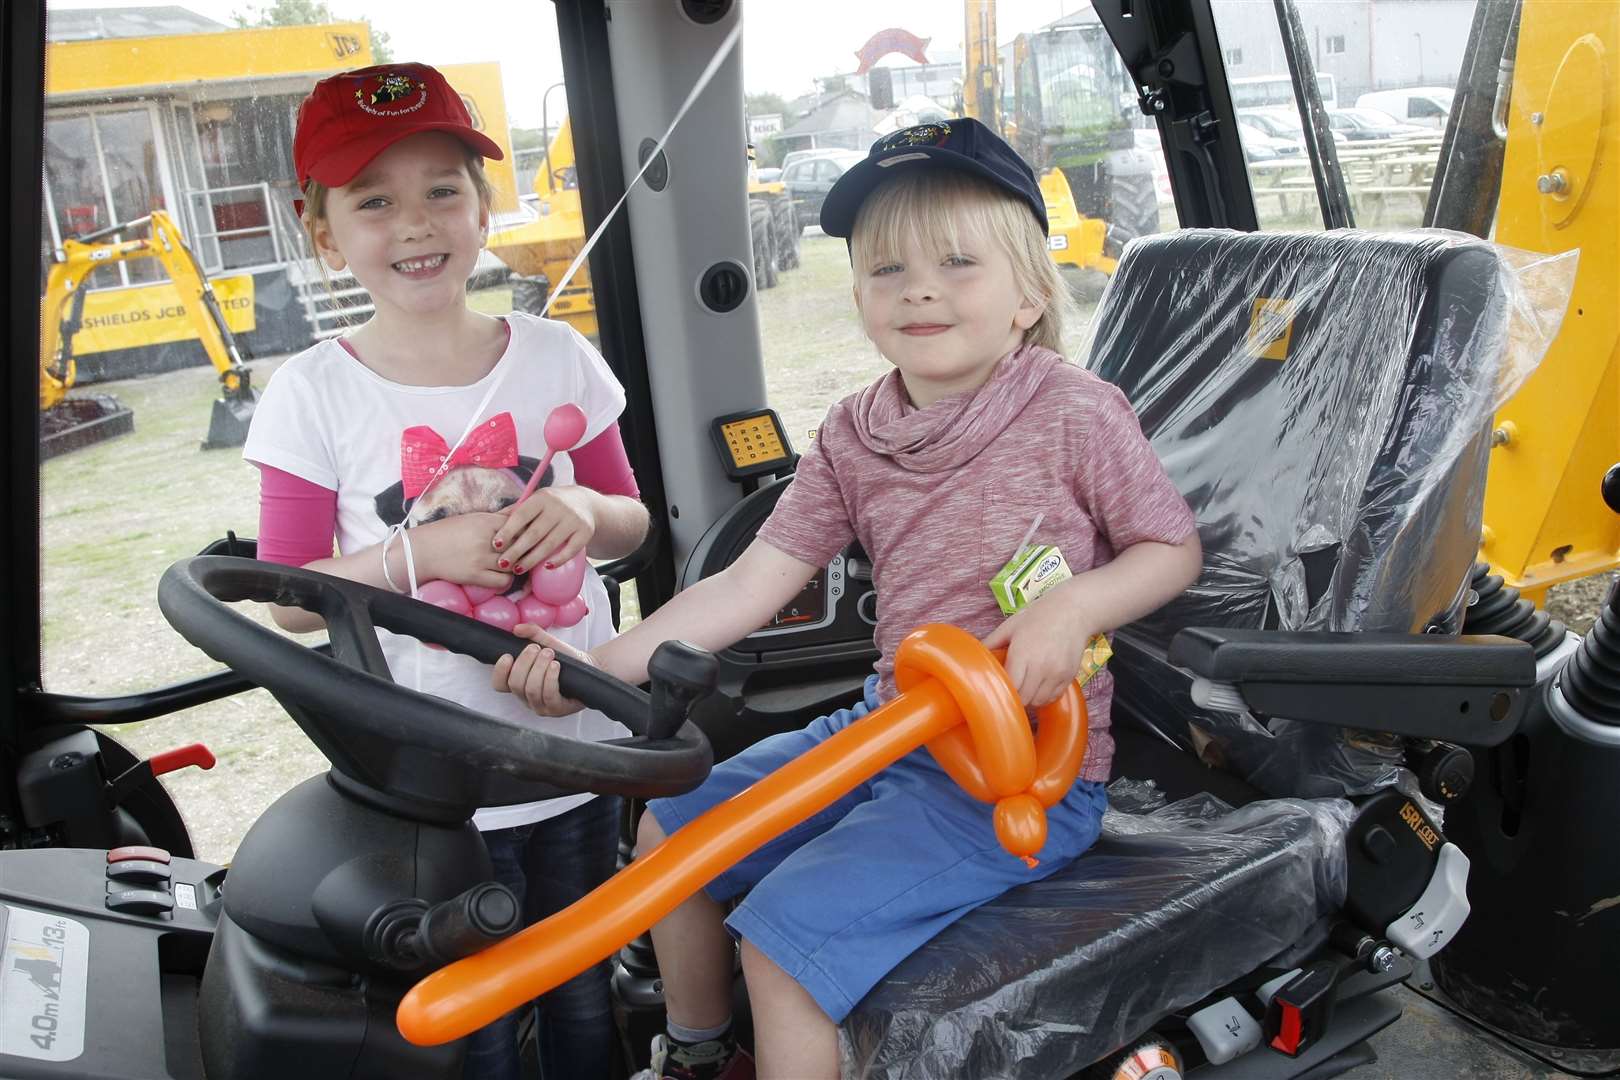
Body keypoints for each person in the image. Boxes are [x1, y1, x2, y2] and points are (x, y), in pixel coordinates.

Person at [494, 117, 1202, 1080]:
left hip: (1014, 773)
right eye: (885, 268)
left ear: (1031, 294)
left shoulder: (1074, 411)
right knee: (669, 826)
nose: (919, 286)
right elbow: (750, 581)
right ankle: (697, 1057)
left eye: (959, 262)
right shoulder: (854, 433)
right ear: (861, 296)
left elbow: (1171, 549)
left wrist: (1071, 608)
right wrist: (594, 668)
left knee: (780, 944)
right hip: (883, 730)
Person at [241, 62, 649, 1080]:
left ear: (482, 207)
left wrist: (585, 511)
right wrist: (417, 555)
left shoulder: (559, 358)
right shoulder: (312, 396)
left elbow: (632, 526)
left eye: (441, 191)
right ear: (323, 230)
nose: (415, 224)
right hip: (432, 783)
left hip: (573, 744)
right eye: (374, 201)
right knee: (470, 1026)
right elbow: (291, 599)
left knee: (584, 996)